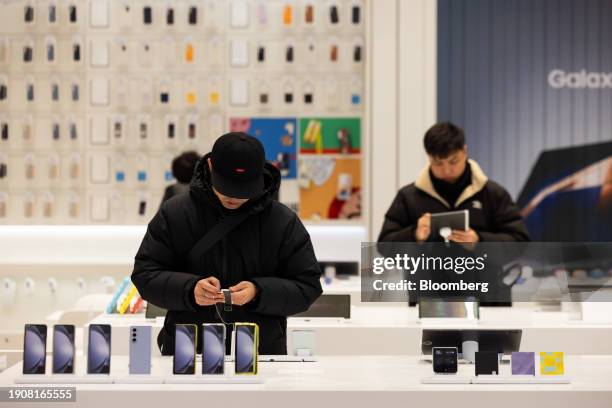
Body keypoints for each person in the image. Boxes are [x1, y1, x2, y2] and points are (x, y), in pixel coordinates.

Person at [132, 132, 323, 355]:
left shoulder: (283, 221)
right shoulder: (175, 213)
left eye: (243, 190)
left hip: (260, 352)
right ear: (211, 166)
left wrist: (258, 292)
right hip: (188, 352)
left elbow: (307, 286)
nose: (234, 197)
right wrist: (189, 289)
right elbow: (145, 275)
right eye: (227, 187)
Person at [378, 122, 529, 243]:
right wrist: (414, 235)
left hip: (481, 281)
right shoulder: (408, 196)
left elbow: (520, 240)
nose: (446, 170)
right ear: (428, 157)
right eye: (437, 163)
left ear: (464, 152)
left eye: (453, 162)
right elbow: (384, 245)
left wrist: (480, 241)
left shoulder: (493, 194)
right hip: (426, 281)